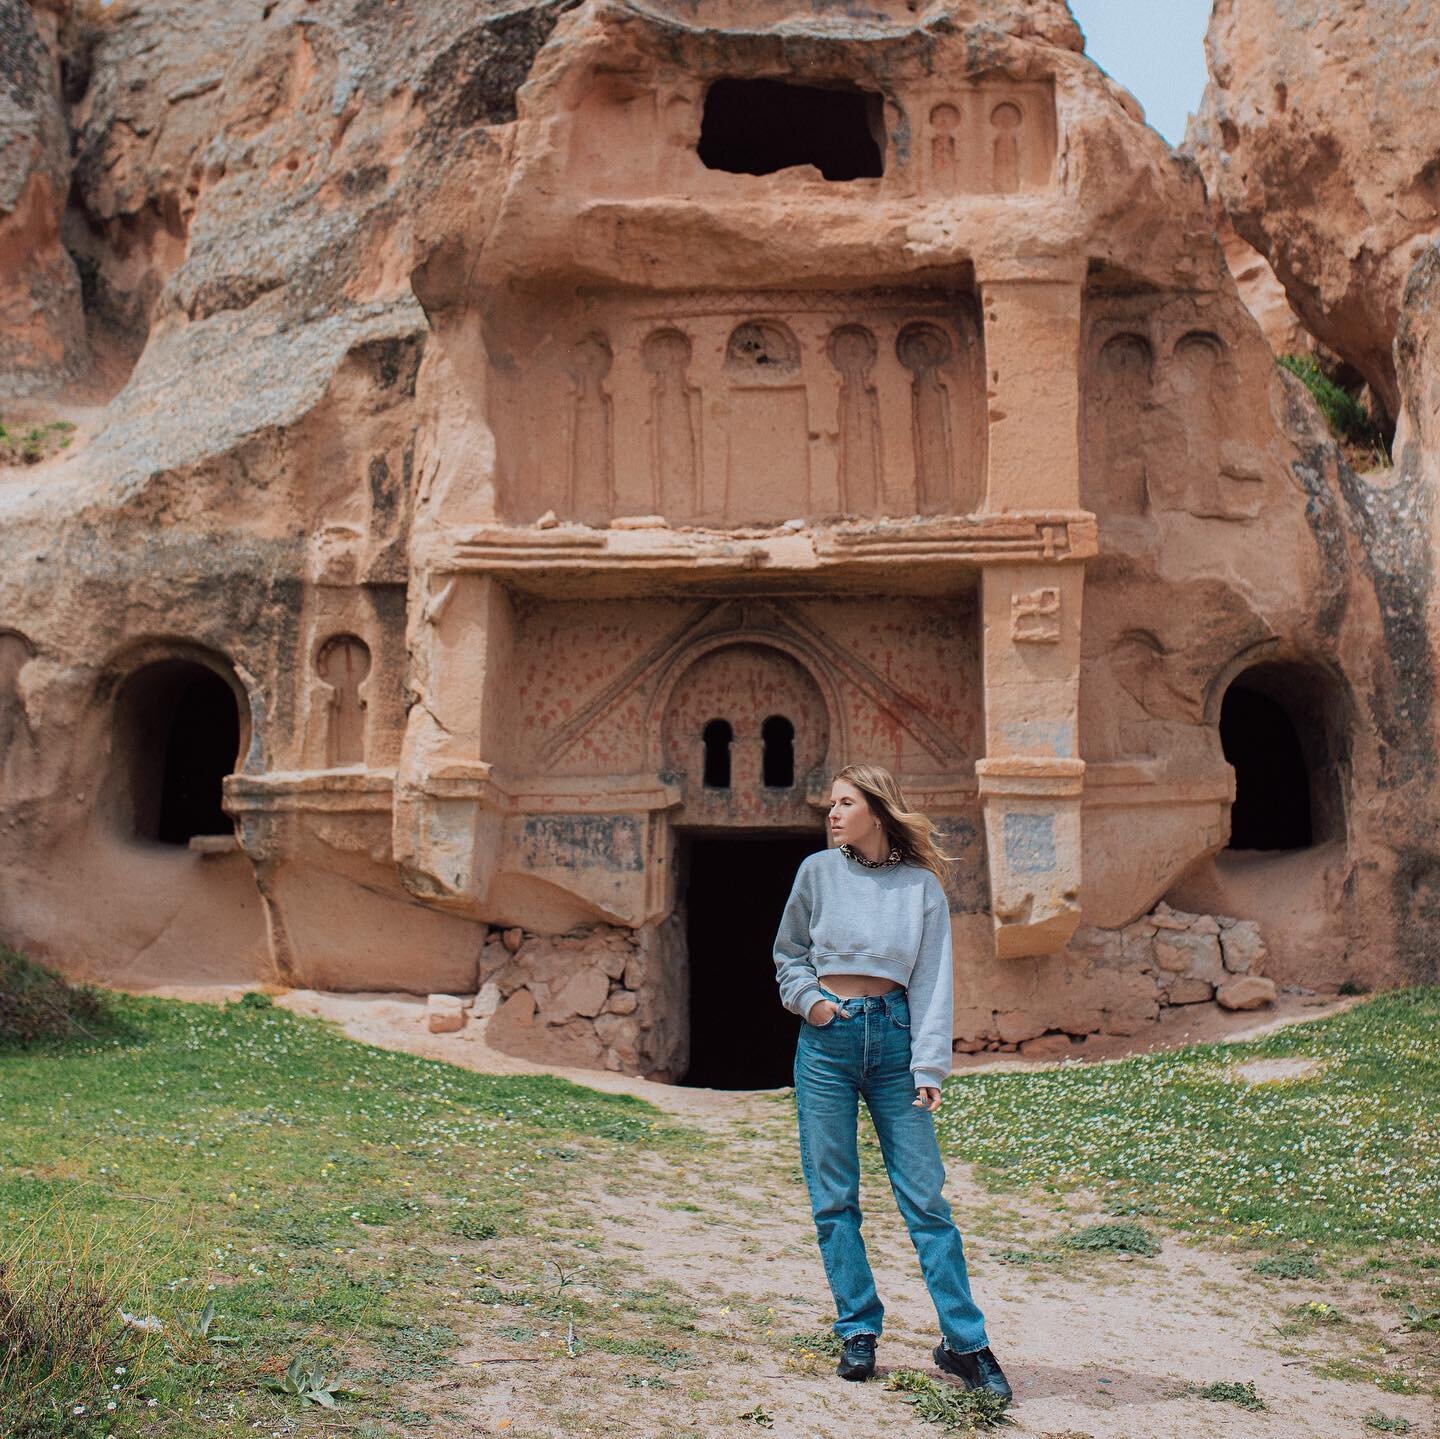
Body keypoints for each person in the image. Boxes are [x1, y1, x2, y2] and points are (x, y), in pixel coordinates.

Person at [773, 763, 1011, 1399]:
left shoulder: (921, 887)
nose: (832, 813)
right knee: (833, 1196)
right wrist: (812, 1002)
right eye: (831, 804)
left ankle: (966, 1344)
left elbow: (934, 979)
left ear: (877, 811)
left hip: (896, 1041)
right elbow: (788, 954)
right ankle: (857, 1329)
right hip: (825, 1042)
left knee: (925, 1199)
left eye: (845, 803)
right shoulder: (816, 874)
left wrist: (929, 1065)